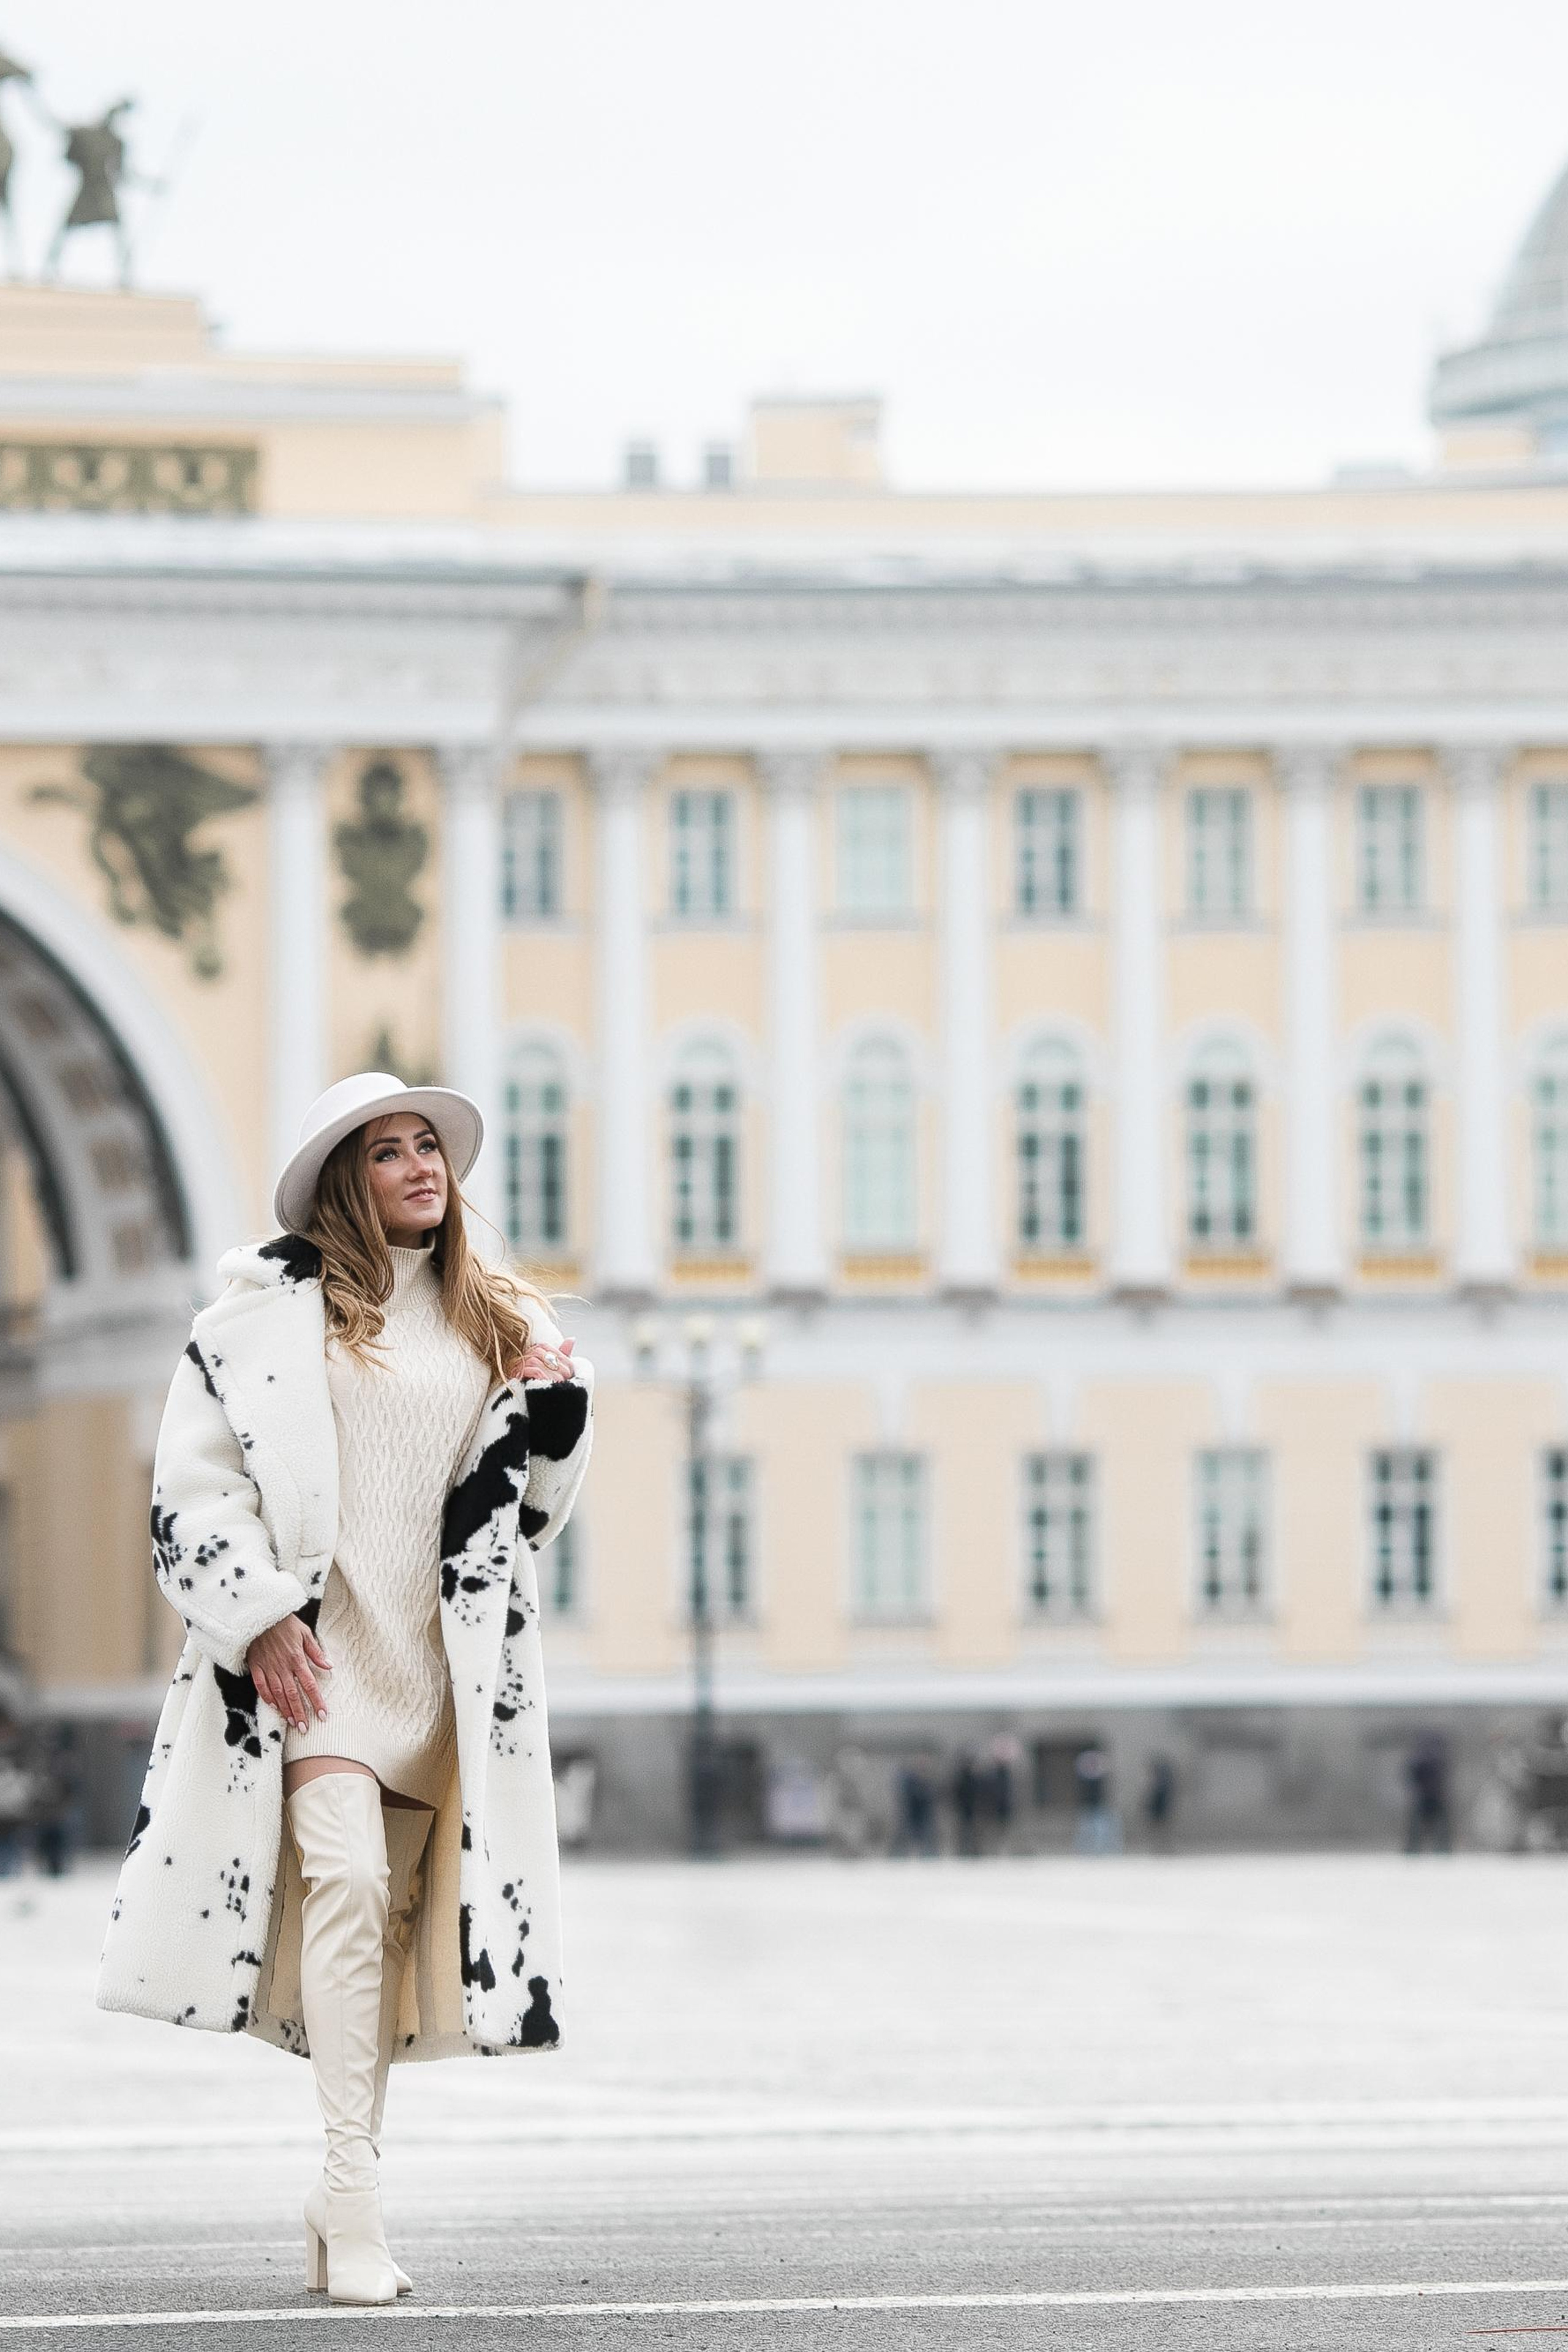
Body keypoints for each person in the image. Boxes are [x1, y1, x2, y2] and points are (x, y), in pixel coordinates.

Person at [96, 1071, 595, 2306]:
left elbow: (532, 1518)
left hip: (443, 1677)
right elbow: (190, 1492)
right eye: (390, 1151)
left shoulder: (496, 1314)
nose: (424, 1166)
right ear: (343, 1182)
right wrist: (257, 1614)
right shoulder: (260, 1324)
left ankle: (338, 2192)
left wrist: (559, 1404)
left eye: (431, 1146)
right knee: (349, 1889)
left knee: (374, 1932)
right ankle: (355, 2193)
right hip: (315, 1666)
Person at [1404, 1731, 1452, 1855]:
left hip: (1430, 1797)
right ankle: (1440, 1851)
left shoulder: (1424, 1758)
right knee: (1423, 1829)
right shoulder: (1434, 1758)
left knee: (1436, 1829)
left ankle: (1440, 1851)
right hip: (1429, 1797)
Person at [1072, 1741, 1121, 1855]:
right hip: (1088, 1806)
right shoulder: (1085, 1772)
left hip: (1099, 1806)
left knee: (1102, 1830)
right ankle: (1085, 1851)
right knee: (1086, 1830)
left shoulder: (1099, 1771)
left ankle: (1103, 1850)